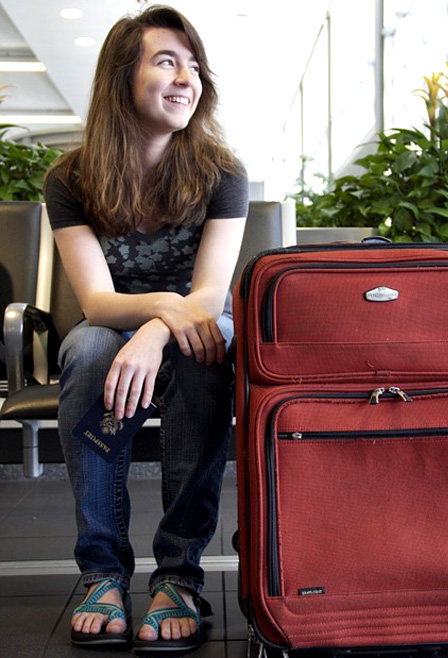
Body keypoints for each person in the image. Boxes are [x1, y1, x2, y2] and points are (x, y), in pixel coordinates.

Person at [43, 4, 248, 652]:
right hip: (114, 327)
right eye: (167, 62)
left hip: (195, 326)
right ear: (121, 77)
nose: (188, 78)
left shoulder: (221, 173)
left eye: (194, 66)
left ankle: (179, 578)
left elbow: (208, 296)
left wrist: (159, 330)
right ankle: (102, 573)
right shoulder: (70, 179)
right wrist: (161, 310)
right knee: (86, 350)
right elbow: (97, 301)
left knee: (202, 349)